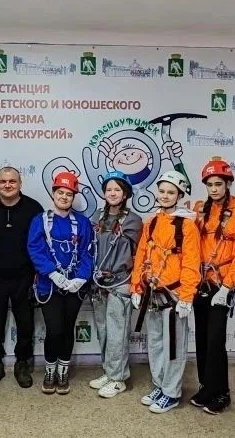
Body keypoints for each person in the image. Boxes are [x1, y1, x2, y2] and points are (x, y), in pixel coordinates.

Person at [130, 170, 202, 414]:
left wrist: (187, 296)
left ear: (179, 196)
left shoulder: (187, 226)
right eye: (162, 191)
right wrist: (136, 286)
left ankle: (171, 393)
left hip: (174, 296)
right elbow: (141, 256)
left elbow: (192, 263)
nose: (165, 196)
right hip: (152, 293)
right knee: (155, 343)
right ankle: (160, 385)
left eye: (171, 192)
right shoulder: (151, 222)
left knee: (173, 347)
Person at [0, 167, 44, 389]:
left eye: (12, 181)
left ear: (20, 183)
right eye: (3, 181)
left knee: (25, 322)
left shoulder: (34, 208)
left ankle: (23, 362)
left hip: (25, 276)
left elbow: (42, 242)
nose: (8, 185)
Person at [27, 171, 95, 395]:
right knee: (54, 330)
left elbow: (87, 252)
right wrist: (52, 274)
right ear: (53, 193)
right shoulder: (40, 221)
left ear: (73, 197)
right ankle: (50, 370)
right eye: (61, 192)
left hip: (74, 286)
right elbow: (35, 249)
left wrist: (81, 278)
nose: (64, 197)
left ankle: (63, 370)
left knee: (67, 328)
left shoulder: (82, 223)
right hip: (49, 286)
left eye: (69, 194)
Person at [190, 157, 235, 415]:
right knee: (202, 338)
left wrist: (227, 287)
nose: (214, 189)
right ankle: (206, 387)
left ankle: (221, 393)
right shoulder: (200, 210)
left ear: (228, 184)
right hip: (200, 281)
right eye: (210, 184)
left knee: (215, 340)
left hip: (221, 283)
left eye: (218, 184)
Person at [88, 171, 143, 399]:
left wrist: (137, 284)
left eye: (117, 190)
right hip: (99, 282)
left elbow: (140, 254)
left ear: (125, 194)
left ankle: (118, 378)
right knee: (103, 330)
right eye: (109, 189)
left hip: (121, 281)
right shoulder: (97, 218)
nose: (112, 193)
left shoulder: (133, 221)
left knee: (117, 332)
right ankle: (109, 371)